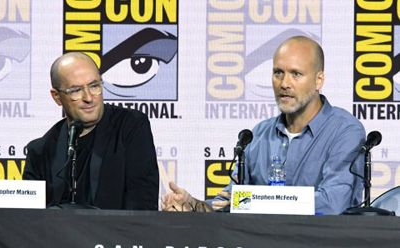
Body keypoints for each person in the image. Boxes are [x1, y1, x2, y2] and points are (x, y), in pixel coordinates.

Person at [162, 36, 365, 215]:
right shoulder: (258, 134)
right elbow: (231, 204)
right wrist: (193, 205)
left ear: (318, 79)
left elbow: (333, 203)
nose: (284, 83)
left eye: (296, 74)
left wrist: (256, 201)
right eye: (278, 72)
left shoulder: (345, 132)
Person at [23, 52, 159, 210]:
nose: (89, 97)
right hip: (59, 234)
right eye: (75, 90)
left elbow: (142, 205)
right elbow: (30, 222)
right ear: (57, 97)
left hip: (116, 233)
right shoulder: (40, 152)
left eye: (94, 86)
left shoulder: (130, 127)